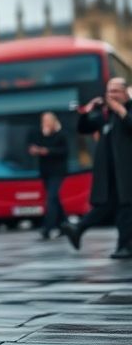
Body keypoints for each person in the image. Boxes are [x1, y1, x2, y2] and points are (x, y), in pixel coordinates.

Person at [62, 77, 132, 258]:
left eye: (115, 91)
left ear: (125, 93)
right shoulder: (107, 115)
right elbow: (84, 128)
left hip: (127, 171)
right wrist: (86, 113)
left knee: (126, 208)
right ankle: (78, 229)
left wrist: (122, 111)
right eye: (109, 91)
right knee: (110, 206)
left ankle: (123, 247)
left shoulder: (126, 111)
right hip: (110, 172)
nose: (111, 95)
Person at [28, 111, 68, 239]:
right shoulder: (40, 134)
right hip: (45, 171)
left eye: (47, 120)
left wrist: (48, 151)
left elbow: (65, 151)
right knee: (55, 199)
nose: (45, 123)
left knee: (51, 198)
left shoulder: (61, 134)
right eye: (43, 120)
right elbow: (33, 145)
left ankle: (47, 228)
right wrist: (36, 149)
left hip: (58, 172)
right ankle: (65, 225)